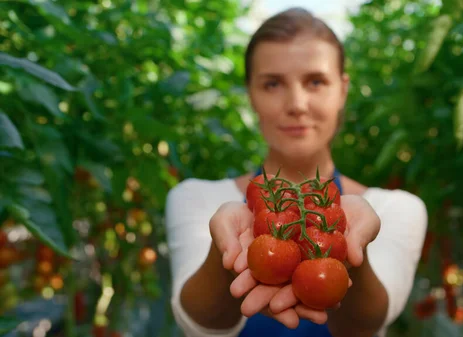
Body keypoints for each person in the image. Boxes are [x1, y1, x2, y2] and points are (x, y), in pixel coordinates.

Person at [165, 7, 428, 337]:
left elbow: (365, 325)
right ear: (251, 95)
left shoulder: (394, 209)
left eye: (316, 81)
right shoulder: (198, 199)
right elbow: (201, 322)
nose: (297, 103)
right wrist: (226, 253)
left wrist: (350, 250)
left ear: (343, 91)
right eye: (272, 84)